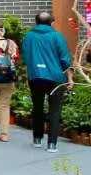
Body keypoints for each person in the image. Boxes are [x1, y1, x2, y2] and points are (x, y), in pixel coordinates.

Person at [20, 11, 70, 152]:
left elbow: (25, 57)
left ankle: (37, 139)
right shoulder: (57, 36)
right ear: (51, 22)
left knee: (37, 107)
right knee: (55, 110)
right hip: (55, 77)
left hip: (35, 76)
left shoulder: (29, 36)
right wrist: (68, 75)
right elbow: (65, 59)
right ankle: (52, 144)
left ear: (36, 22)